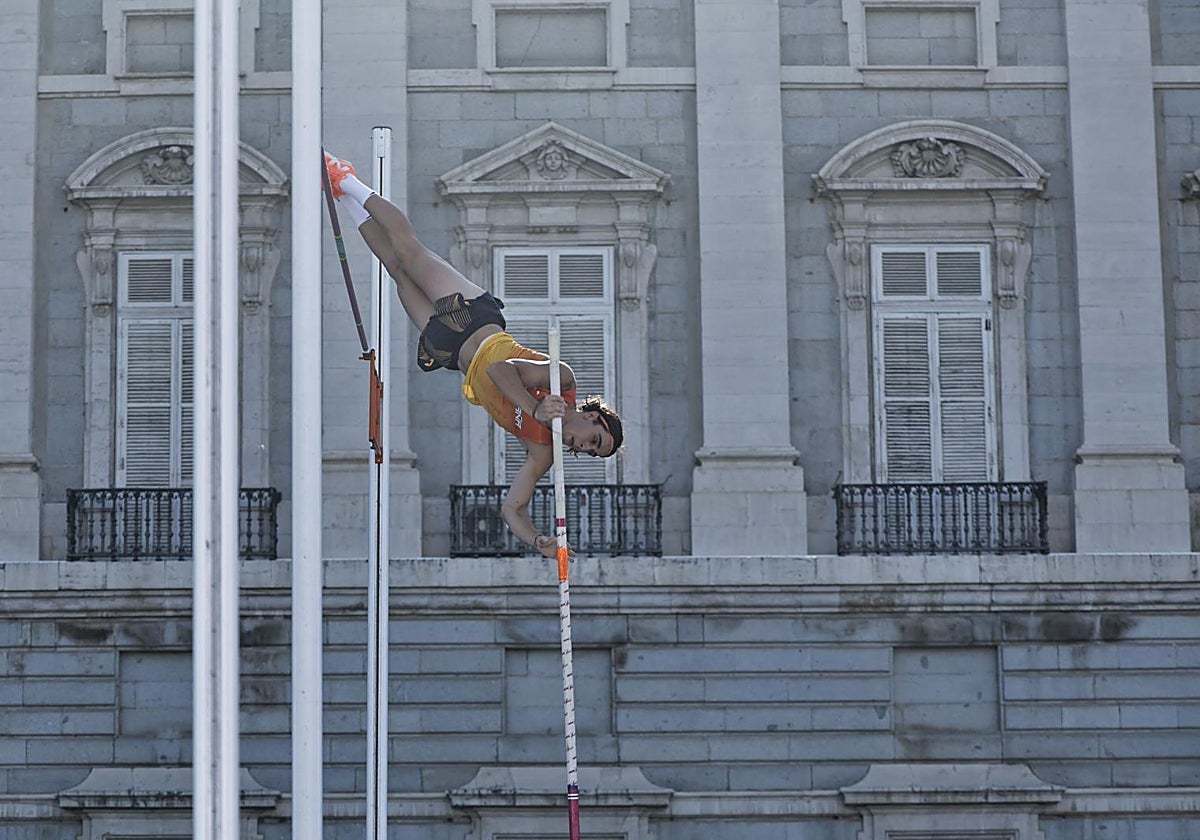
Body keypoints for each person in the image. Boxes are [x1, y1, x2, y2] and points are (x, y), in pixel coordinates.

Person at [324, 152, 623, 560]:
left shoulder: (543, 451)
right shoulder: (562, 381)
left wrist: (538, 542)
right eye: (594, 441)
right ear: (592, 417)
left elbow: (512, 509)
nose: (584, 448)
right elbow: (502, 370)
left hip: (452, 353)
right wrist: (533, 410)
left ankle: (341, 197)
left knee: (395, 269)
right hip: (474, 318)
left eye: (591, 452)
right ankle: (350, 181)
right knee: (411, 254)